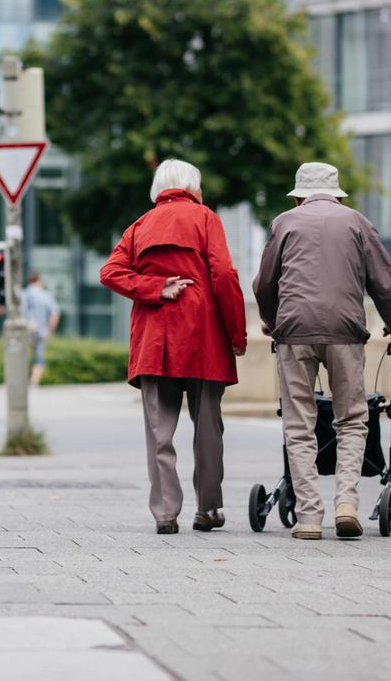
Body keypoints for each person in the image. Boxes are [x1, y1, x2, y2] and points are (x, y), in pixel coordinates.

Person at [253, 162, 391, 540]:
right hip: (344, 330)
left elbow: (264, 283)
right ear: (336, 193)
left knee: (298, 422)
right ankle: (346, 506)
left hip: (295, 332)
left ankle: (307, 518)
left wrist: (273, 320)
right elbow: (384, 283)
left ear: (298, 195)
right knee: (352, 419)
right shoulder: (357, 222)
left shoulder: (284, 222)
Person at [100, 159, 247, 534]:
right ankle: (209, 509)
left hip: (154, 339)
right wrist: (237, 334)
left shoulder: (139, 226)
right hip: (204, 337)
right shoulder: (205, 219)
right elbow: (225, 275)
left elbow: (110, 273)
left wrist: (155, 288)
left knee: (159, 431)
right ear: (193, 187)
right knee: (208, 429)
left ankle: (165, 513)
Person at [21, 271, 61, 386]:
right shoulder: (45, 295)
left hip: (23, 330)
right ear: (39, 280)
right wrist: (50, 330)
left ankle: (20, 380)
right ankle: (33, 382)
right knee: (39, 358)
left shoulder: (22, 294)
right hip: (40, 330)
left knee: (22, 355)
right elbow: (55, 313)